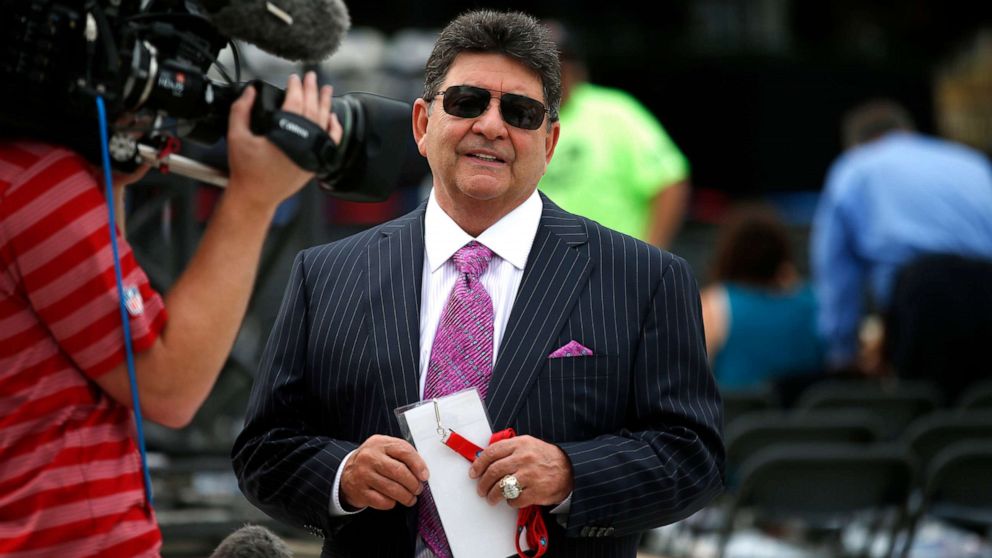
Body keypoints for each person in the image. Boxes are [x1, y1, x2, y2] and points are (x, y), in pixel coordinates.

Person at [232, 10, 724, 558]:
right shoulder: (325, 275)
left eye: (520, 112)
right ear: (422, 124)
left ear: (551, 140)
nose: (491, 126)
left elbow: (693, 456)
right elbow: (263, 451)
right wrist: (342, 475)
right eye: (467, 102)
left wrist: (569, 473)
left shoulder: (646, 279)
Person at [0, 72, 340, 555]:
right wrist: (253, 196)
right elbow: (168, 385)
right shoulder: (33, 181)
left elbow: (101, 334)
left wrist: (107, 183)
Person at [810, 98, 992, 377]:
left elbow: (836, 271)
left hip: (925, 296)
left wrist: (843, 353)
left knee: (922, 405)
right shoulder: (972, 162)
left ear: (857, 143)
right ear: (908, 132)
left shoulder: (854, 167)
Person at [536, 20, 691, 249]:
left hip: (615, 266)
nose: (554, 72)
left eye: (562, 61)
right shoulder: (518, 115)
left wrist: (650, 256)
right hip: (544, 267)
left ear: (577, 67)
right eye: (542, 64)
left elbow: (670, 179)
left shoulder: (615, 113)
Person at [700, 204, 825, 392]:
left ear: (728, 252)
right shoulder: (815, 303)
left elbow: (689, 380)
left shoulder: (713, 305)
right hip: (811, 420)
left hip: (732, 418)